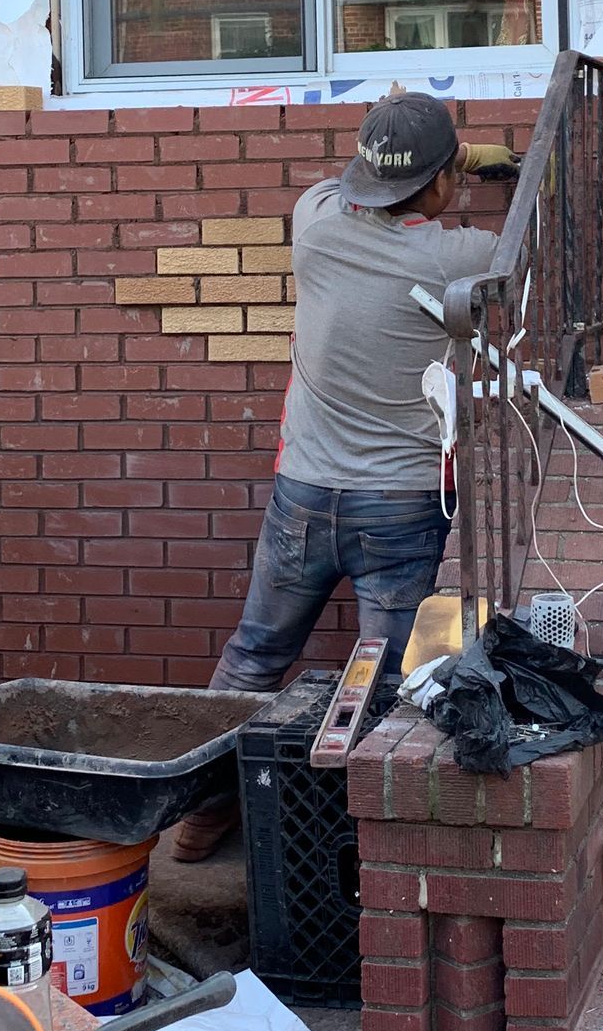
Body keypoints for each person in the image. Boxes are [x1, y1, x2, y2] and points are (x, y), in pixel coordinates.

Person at [169, 92, 514, 859]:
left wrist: (415, 163)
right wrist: (479, 168)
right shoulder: (455, 257)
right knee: (388, 680)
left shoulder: (314, 224)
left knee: (254, 655)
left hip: (303, 495)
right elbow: (508, 251)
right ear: (436, 187)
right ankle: (360, 834)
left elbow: (349, 183)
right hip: (400, 506)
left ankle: (201, 805)